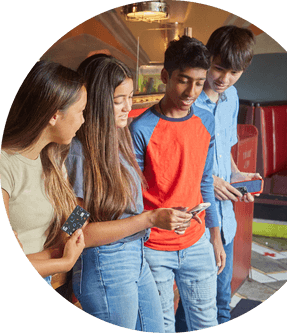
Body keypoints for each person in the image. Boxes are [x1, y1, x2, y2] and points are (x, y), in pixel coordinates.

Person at [65, 54, 192, 332]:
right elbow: (77, 232)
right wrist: (149, 219)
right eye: (118, 100)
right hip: (105, 265)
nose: (127, 107)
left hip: (136, 254)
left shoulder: (118, 139)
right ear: (96, 101)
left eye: (130, 97)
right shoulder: (78, 153)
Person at [129, 36, 225, 333]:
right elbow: (132, 196)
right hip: (154, 246)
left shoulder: (205, 121)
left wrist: (215, 236)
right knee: (160, 326)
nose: (192, 91)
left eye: (199, 82)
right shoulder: (141, 128)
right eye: (184, 81)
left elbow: (205, 182)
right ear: (165, 77)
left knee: (206, 321)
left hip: (197, 242)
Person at [177, 25, 261, 326]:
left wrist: (238, 175)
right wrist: (209, 182)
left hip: (226, 219)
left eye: (234, 73)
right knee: (193, 307)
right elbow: (176, 164)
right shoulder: (187, 101)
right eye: (219, 68)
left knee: (221, 302)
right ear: (207, 58)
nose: (225, 79)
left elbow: (226, 151)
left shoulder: (232, 97)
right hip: (197, 220)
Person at [0, 60, 86, 286]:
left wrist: (70, 231)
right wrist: (64, 261)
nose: (83, 120)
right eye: (80, 111)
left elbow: (77, 211)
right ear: (54, 116)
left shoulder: (51, 158)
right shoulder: (5, 164)